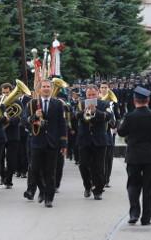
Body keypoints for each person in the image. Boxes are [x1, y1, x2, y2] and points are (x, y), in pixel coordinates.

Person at [117, 86, 151, 225]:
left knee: (133, 185)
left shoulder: (130, 116)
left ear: (134, 100)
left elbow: (121, 132)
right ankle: (146, 218)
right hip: (150, 156)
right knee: (148, 188)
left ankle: (134, 213)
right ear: (148, 100)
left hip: (134, 156)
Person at [22, 79, 68, 208]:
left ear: (51, 89)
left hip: (52, 143)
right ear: (39, 89)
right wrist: (35, 117)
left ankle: (49, 198)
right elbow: (24, 121)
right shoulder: (32, 103)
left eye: (48, 86)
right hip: (37, 142)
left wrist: (64, 144)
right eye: (44, 87)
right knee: (34, 170)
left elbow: (62, 124)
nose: (46, 88)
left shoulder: (58, 104)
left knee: (50, 172)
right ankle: (42, 189)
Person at [76, 85, 111, 200]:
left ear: (98, 94)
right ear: (86, 95)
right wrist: (84, 112)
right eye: (89, 95)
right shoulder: (81, 104)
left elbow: (108, 116)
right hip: (84, 139)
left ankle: (98, 190)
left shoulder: (104, 104)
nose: (91, 97)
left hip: (99, 140)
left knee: (99, 167)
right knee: (83, 165)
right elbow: (76, 115)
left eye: (93, 95)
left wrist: (96, 111)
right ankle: (87, 186)